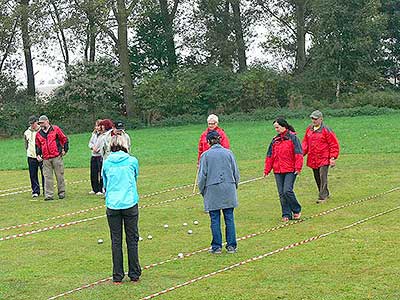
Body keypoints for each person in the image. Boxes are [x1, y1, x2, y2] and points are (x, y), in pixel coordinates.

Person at [102, 135, 141, 284]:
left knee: (116, 240)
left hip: (113, 204)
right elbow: (135, 177)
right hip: (129, 202)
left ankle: (117, 275)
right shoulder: (132, 161)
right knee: (132, 239)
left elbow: (105, 182)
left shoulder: (107, 163)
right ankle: (134, 273)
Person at [198, 130, 240, 254]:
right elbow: (236, 173)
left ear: (208, 142)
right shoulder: (229, 153)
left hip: (212, 190)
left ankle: (217, 247)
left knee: (215, 219)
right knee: (229, 218)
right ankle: (231, 246)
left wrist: (202, 190)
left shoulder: (205, 156)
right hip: (229, 188)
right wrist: (234, 186)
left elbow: (202, 177)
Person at [264, 118, 303, 222]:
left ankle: (296, 209)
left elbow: (299, 153)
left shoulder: (293, 138)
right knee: (281, 193)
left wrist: (298, 167)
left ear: (283, 126)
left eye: (277, 127)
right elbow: (270, 155)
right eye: (275, 128)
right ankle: (286, 214)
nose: (276, 129)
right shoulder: (275, 140)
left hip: (291, 169)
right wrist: (267, 169)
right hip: (278, 170)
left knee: (287, 190)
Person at [302, 110, 340, 203]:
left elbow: (333, 144)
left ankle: (322, 197)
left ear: (321, 119)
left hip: (324, 157)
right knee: (317, 176)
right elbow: (305, 143)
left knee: (323, 176)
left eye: (315, 119)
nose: (313, 120)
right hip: (312, 158)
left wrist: (332, 158)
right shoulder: (309, 129)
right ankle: (324, 192)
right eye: (312, 118)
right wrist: (300, 154)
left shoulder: (326, 130)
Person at [35, 115, 69, 201]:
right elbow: (38, 145)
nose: (41, 125)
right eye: (40, 123)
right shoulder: (38, 134)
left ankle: (61, 192)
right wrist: (38, 154)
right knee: (47, 177)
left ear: (47, 121)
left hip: (56, 156)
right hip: (46, 158)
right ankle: (49, 195)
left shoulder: (55, 129)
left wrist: (65, 149)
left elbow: (64, 139)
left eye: (42, 123)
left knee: (59, 175)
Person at [24, 115, 44, 198]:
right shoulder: (26, 132)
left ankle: (46, 190)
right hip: (31, 156)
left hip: (42, 156)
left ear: (37, 122)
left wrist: (42, 154)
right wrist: (29, 152)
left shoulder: (42, 131)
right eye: (31, 124)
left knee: (44, 174)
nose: (32, 125)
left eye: (33, 123)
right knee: (33, 174)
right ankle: (35, 191)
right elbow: (26, 144)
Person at [88, 119, 103, 195]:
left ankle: (101, 189)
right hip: (93, 155)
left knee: (101, 173)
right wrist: (92, 147)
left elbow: (104, 145)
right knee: (93, 173)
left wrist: (98, 150)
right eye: (96, 125)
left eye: (99, 126)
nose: (97, 127)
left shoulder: (104, 135)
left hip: (100, 156)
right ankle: (94, 189)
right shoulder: (94, 134)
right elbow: (90, 143)